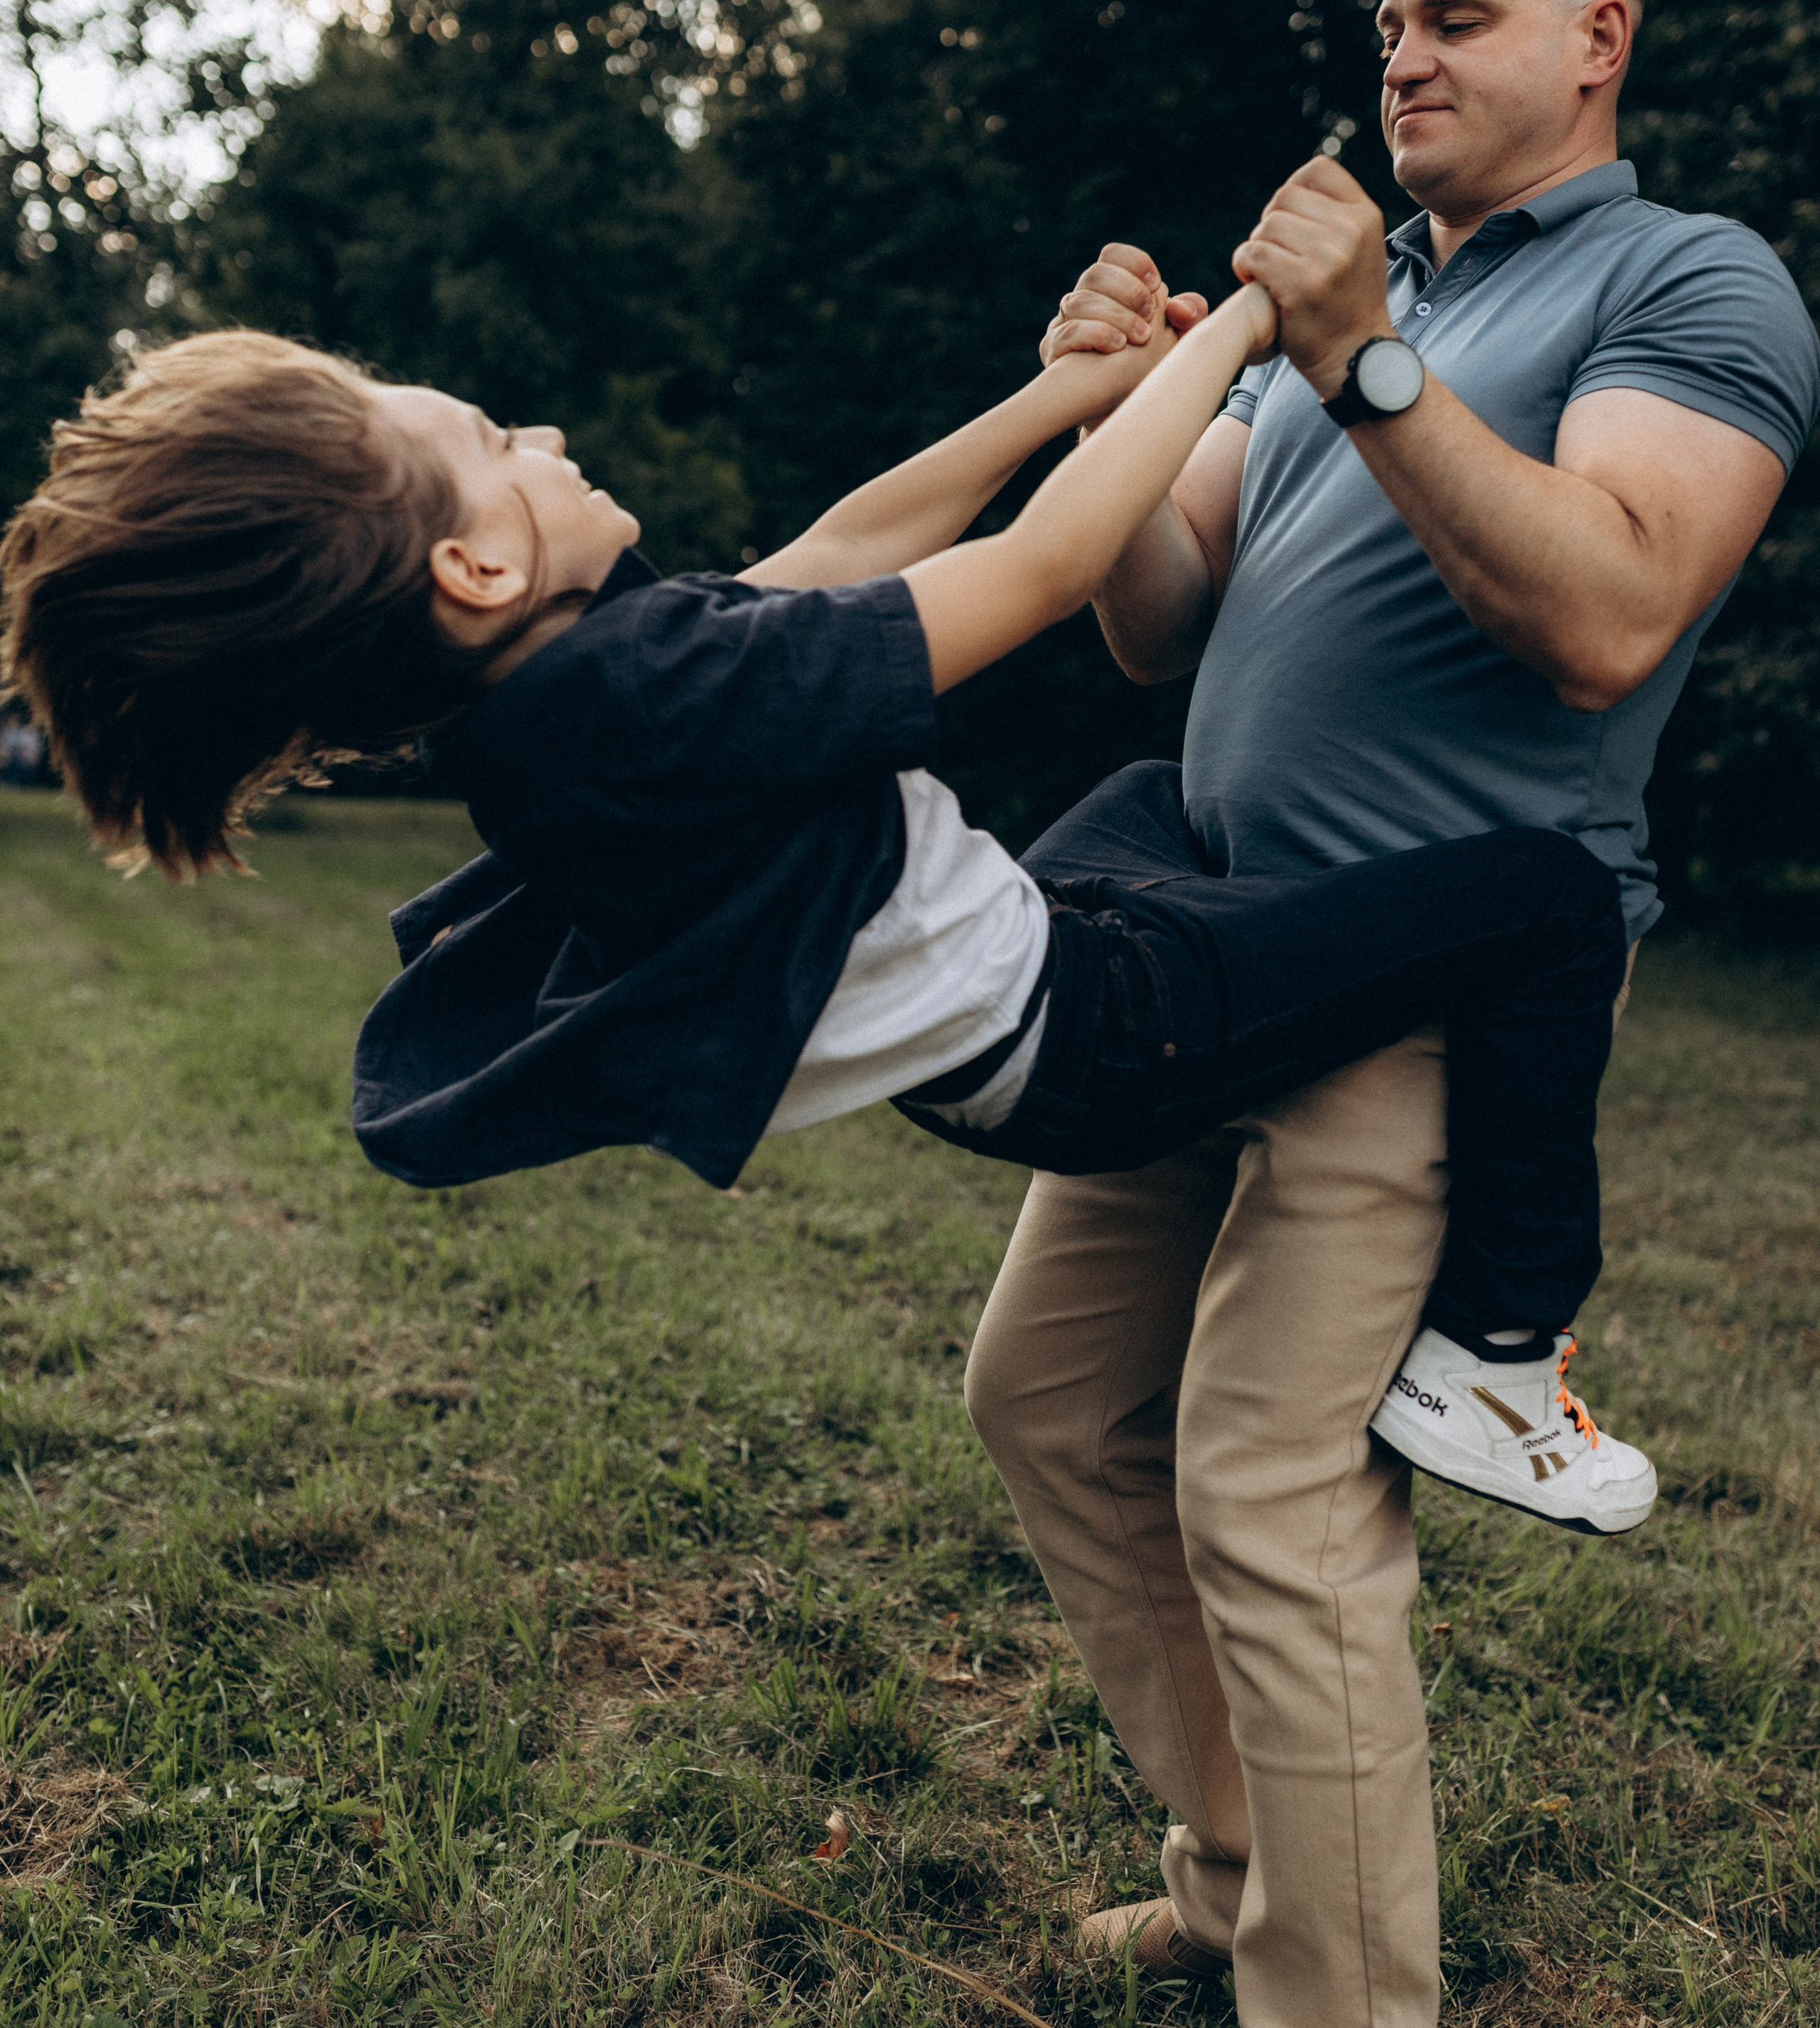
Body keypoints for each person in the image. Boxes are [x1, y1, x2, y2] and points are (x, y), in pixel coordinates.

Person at [1, 302, 1639, 1526]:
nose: (547, 442)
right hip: (1098, 1036)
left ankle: (1345, 1050)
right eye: (503, 447)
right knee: (1547, 900)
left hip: (1037, 988)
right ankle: (1494, 1348)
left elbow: (851, 545)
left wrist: (1065, 391)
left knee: (1162, 806)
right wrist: (1248, 337)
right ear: (478, 570)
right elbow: (1056, 562)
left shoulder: (567, 696)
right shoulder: (639, 690)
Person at [969, 0, 1819, 2028]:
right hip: (1210, 949)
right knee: (1042, 1397)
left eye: (1455, 19)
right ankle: (1250, 1873)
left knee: (1270, 1488)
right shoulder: (1388, 295)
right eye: (1388, 26)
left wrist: (1361, 356)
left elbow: (1612, 614)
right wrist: (1113, 414)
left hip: (1438, 986)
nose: (1404, 59)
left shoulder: (1689, 284)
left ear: (1595, 44)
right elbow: (1155, 624)